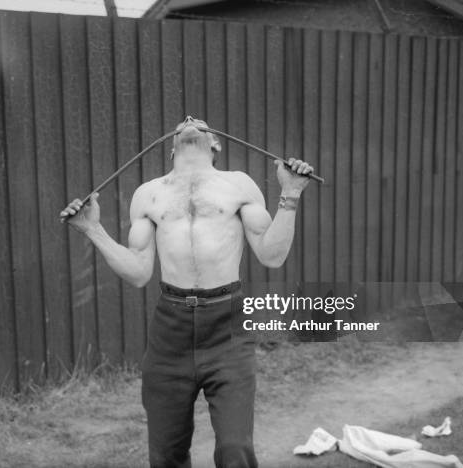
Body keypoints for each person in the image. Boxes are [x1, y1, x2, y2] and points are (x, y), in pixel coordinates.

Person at [60, 116, 314, 468]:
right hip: (170, 332)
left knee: (235, 450)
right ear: (171, 148)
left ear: (215, 144)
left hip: (228, 329)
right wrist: (92, 229)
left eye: (200, 122)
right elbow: (138, 272)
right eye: (184, 122)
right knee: (166, 454)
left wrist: (291, 192)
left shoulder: (238, 185)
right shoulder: (148, 194)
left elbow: (272, 256)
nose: (190, 120)